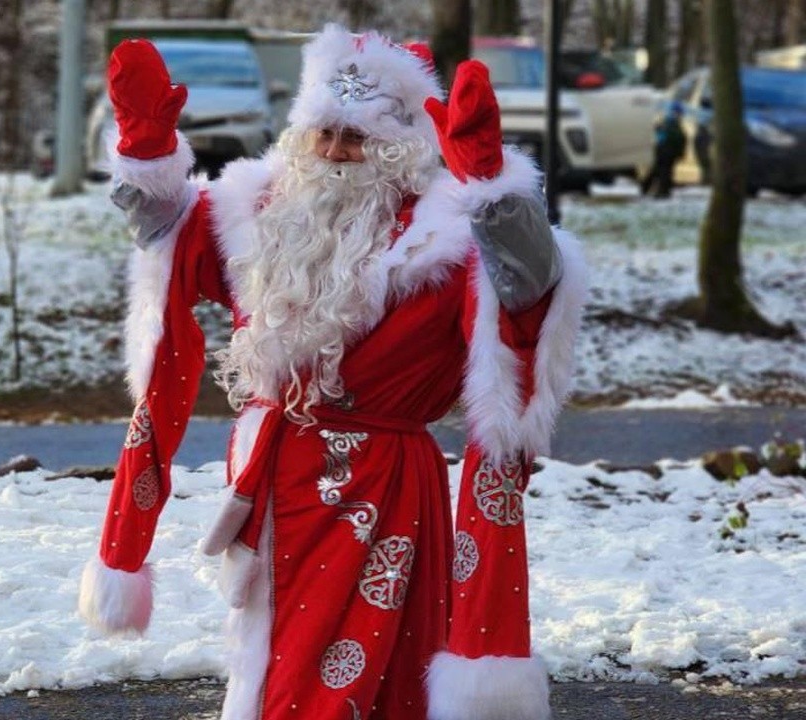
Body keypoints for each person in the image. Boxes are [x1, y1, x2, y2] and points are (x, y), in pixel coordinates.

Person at [78, 24, 586, 720]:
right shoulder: (258, 215)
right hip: (274, 488)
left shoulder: (446, 241)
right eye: (324, 133)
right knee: (273, 662)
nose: (337, 152)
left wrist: (495, 189)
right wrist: (146, 152)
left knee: (351, 679)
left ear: (400, 150)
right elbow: (169, 233)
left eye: (359, 139)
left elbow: (529, 285)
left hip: (382, 496)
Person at [641, 101, 687, 198]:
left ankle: (653, 188)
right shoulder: (670, 124)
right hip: (665, 151)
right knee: (664, 172)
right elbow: (675, 139)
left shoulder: (668, 123)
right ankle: (662, 191)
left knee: (660, 171)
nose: (679, 116)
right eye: (678, 113)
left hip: (664, 151)